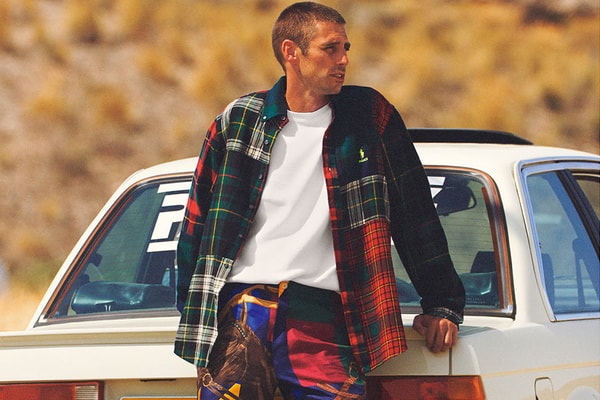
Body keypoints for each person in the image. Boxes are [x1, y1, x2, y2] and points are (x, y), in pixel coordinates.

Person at [175, 2, 465, 399]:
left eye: (346, 48)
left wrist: (442, 303)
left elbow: (415, 216)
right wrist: (195, 310)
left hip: (324, 315)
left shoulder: (369, 118)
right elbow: (197, 222)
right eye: (330, 48)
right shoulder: (240, 120)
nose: (344, 59)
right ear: (291, 52)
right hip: (241, 308)